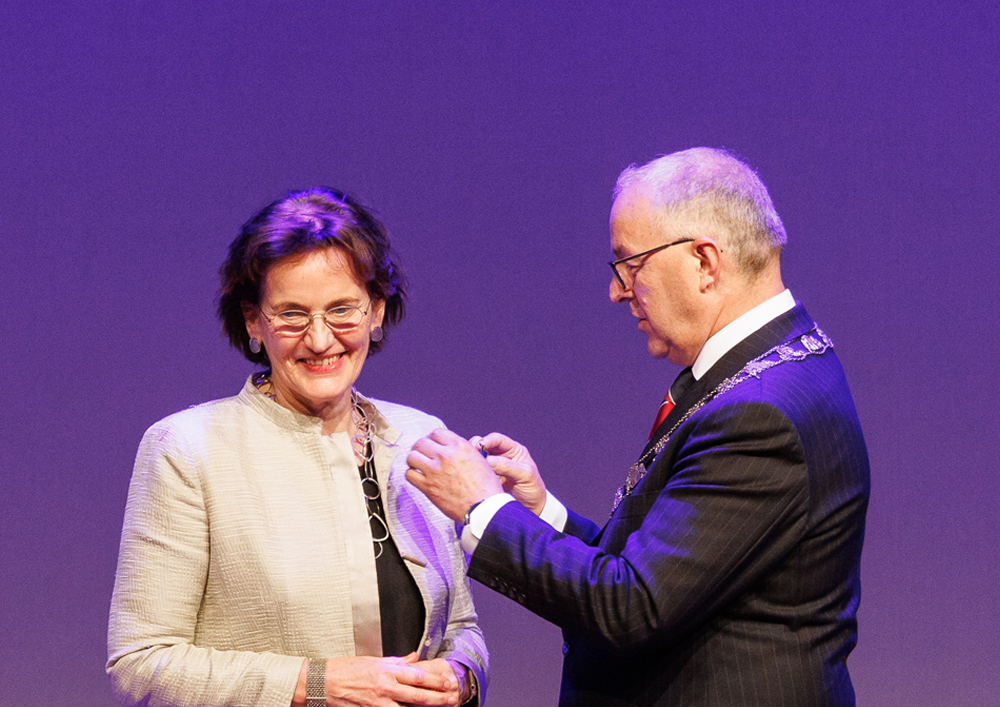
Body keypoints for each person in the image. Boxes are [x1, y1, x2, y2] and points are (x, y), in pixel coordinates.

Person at [405, 148, 870, 707]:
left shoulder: (759, 414)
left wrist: (485, 508)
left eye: (631, 264)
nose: (617, 291)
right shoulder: (778, 365)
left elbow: (632, 606)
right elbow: (668, 574)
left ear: (704, 261)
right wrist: (542, 515)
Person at [107, 187, 487, 707]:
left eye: (342, 311)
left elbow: (461, 627)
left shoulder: (421, 438)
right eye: (291, 314)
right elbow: (142, 662)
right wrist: (316, 685)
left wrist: (462, 678)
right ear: (252, 322)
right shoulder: (187, 450)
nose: (319, 339)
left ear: (376, 311)